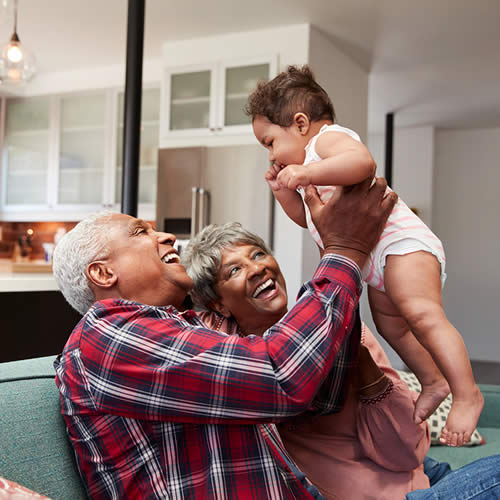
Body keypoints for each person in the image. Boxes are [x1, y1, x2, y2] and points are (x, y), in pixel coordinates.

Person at [51, 178, 396, 499]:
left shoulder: (183, 328)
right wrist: (343, 252)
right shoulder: (107, 336)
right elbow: (280, 377)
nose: (168, 237)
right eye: (141, 232)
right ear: (102, 272)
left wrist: (333, 245)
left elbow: (321, 397)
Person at [246, 64, 483, 447]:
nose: (270, 153)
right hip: (374, 260)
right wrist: (283, 192)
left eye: (270, 141)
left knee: (422, 313)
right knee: (393, 327)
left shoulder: (325, 143)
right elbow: (308, 220)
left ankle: (468, 393)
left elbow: (363, 164)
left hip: (400, 243)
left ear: (301, 124)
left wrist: (305, 174)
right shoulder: (309, 165)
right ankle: (433, 381)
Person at [181, 220, 500, 500]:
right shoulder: (231, 356)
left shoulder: (340, 329)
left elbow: (408, 453)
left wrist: (361, 362)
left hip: (413, 471)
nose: (256, 268)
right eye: (234, 270)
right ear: (218, 305)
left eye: (258, 254)